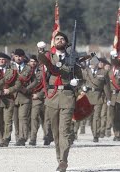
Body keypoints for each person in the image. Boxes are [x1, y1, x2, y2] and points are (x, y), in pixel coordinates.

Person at [37, 31, 84, 172]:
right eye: (57, 38)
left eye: (62, 39)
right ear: (54, 42)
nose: (59, 40)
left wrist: (77, 82)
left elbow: (81, 78)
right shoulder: (48, 58)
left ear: (66, 42)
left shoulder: (73, 58)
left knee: (64, 130)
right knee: (55, 132)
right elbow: (41, 76)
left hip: (68, 96)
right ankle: (59, 158)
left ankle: (64, 160)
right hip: (52, 96)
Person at [81, 57, 111, 142]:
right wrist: (82, 87)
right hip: (88, 96)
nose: (92, 65)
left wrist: (108, 98)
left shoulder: (103, 72)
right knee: (89, 117)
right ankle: (92, 131)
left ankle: (96, 135)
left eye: (94, 64)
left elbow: (106, 87)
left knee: (96, 117)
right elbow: (81, 81)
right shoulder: (85, 71)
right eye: (91, 64)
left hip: (98, 96)